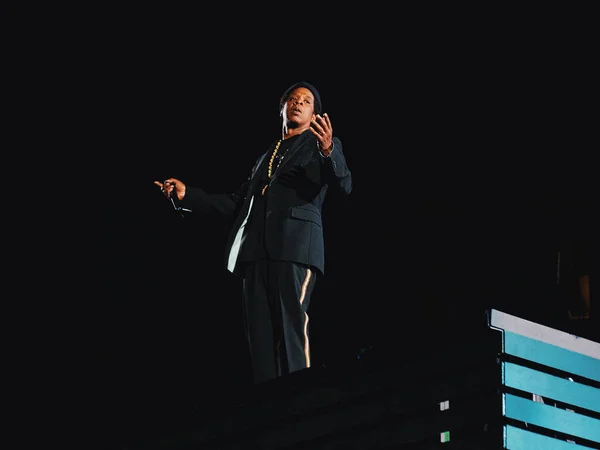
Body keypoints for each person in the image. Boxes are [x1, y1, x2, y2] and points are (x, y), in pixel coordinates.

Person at [154, 81, 353, 385]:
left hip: (294, 249)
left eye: (306, 101)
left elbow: (344, 186)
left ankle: (302, 407)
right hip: (254, 255)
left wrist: (328, 150)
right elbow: (236, 204)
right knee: (260, 341)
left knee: (291, 332)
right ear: (282, 109)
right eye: (292, 99)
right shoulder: (265, 157)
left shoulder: (321, 145)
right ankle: (267, 415)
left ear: (315, 114)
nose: (298, 103)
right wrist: (187, 195)